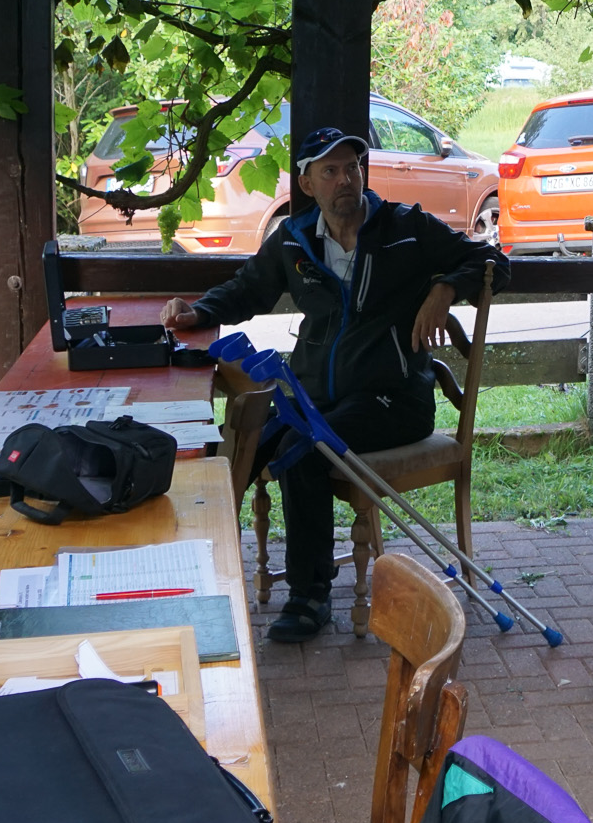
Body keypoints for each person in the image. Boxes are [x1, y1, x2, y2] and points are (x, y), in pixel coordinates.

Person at [161, 127, 506, 641]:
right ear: (307, 183)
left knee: (302, 451)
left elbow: (492, 260)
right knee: (238, 446)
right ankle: (195, 575)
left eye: (352, 168)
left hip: (393, 401)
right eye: (330, 171)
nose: (345, 179)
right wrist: (199, 311)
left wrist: (444, 288)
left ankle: (309, 596)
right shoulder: (294, 239)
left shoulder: (405, 228)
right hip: (314, 399)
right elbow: (247, 288)